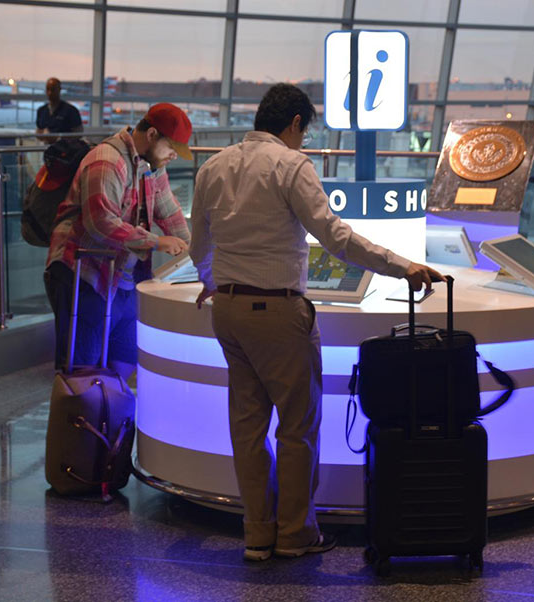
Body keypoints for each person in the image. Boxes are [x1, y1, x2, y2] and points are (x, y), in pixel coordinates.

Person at [189, 83, 444, 562]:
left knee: (247, 427)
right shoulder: (290, 165)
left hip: (227, 309)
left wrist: (211, 280)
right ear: (294, 125)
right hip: (279, 312)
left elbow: (198, 242)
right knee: (297, 425)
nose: (303, 141)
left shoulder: (213, 166)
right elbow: (336, 237)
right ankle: (295, 535)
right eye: (304, 132)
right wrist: (402, 265)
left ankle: (256, 535)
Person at [44, 103, 192, 380]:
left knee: (123, 361)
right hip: (83, 274)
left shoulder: (151, 166)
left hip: (120, 276)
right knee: (83, 371)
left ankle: (108, 421)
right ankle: (83, 420)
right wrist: (157, 243)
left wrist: (193, 253)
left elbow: (169, 211)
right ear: (151, 135)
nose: (174, 155)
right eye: (172, 147)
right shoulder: (107, 160)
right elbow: (100, 223)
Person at [36, 77, 83, 142]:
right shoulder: (41, 111)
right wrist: (43, 134)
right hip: (46, 147)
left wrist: (59, 138)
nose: (50, 93)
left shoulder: (70, 110)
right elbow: (38, 130)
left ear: (59, 90)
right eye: (48, 89)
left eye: (53, 89)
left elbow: (79, 133)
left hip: (65, 149)